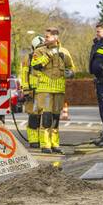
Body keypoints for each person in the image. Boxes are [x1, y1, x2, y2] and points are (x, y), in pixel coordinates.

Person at [29, 27, 75, 155]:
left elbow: (71, 67)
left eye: (47, 37)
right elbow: (35, 66)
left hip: (59, 88)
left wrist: (70, 72)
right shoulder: (39, 51)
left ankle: (55, 144)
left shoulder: (65, 52)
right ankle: (45, 144)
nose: (45, 39)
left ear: (56, 38)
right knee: (47, 117)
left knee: (55, 118)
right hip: (44, 88)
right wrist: (48, 55)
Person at [22, 35, 44, 149]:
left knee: (44, 117)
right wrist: (26, 90)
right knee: (34, 117)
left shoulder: (48, 57)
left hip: (45, 91)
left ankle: (43, 140)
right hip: (33, 92)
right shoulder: (29, 58)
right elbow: (24, 75)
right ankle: (34, 140)